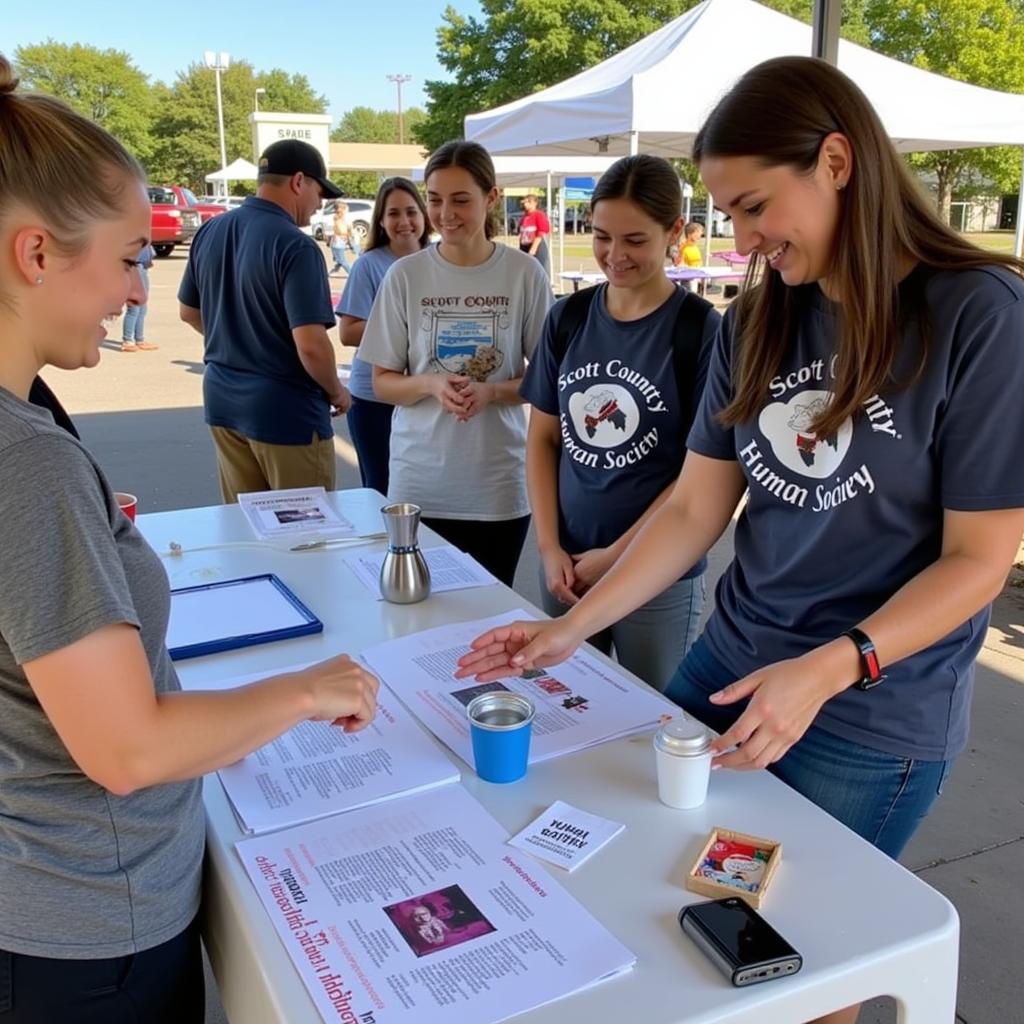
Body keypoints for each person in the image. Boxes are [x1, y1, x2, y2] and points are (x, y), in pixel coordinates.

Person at [458, 59, 1024, 1024]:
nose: (746, 239)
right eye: (728, 213)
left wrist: (835, 666)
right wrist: (569, 626)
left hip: (869, 714)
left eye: (757, 205)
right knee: (653, 899)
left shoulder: (976, 313)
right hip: (729, 662)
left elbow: (981, 558)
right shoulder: (761, 314)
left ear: (837, 161)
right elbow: (693, 508)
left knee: (797, 975)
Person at [0, 55, 379, 1024]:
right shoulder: (24, 461)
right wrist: (308, 688)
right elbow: (126, 749)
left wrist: (82, 529)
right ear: (36, 254)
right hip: (89, 926)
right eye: (129, 255)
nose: (137, 286)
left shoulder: (30, 433)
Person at [520, 155, 720, 691]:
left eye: (635, 239)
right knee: (564, 704)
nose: (614, 255)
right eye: (601, 235)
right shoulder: (568, 317)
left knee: (649, 717)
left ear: (674, 232)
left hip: (658, 577)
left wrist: (617, 555)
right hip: (566, 568)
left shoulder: (702, 332)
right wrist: (548, 547)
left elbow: (698, 479)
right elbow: (542, 439)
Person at [359, 141, 552, 586]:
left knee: (487, 620)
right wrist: (429, 384)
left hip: (498, 487)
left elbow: (545, 382)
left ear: (491, 198)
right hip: (420, 484)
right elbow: (382, 383)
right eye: (435, 199)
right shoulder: (405, 275)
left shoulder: (524, 274)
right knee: (416, 618)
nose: (445, 213)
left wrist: (492, 392)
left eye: (461, 200)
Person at [178, 139, 352, 503]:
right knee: (306, 535)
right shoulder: (296, 245)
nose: (318, 204)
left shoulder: (211, 231)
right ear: (298, 181)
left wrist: (238, 338)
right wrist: (336, 390)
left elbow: (189, 311)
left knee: (248, 528)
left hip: (223, 402)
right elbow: (310, 344)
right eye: (318, 192)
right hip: (286, 412)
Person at [336, 177, 431, 494]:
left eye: (411, 211)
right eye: (393, 214)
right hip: (374, 399)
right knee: (382, 490)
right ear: (381, 220)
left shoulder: (442, 260)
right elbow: (348, 332)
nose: (404, 222)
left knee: (423, 491)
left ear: (423, 215)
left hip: (425, 395)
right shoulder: (369, 265)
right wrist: (406, 327)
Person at [121, 242, 158, 351]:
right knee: (134, 306)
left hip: (142, 265)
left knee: (142, 306)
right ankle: (127, 341)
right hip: (134, 266)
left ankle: (139, 339)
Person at [518, 193, 551, 274]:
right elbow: (520, 231)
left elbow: (541, 232)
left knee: (539, 271)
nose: (525, 204)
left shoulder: (539, 215)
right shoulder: (524, 217)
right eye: (524, 202)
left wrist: (533, 248)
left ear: (535, 203)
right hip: (524, 246)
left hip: (536, 247)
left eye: (528, 202)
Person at [329, 200, 359, 276]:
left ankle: (344, 272)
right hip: (339, 242)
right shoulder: (338, 219)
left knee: (340, 259)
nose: (347, 210)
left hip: (340, 241)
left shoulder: (341, 219)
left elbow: (344, 231)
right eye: (346, 209)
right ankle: (349, 273)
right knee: (340, 259)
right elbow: (341, 231)